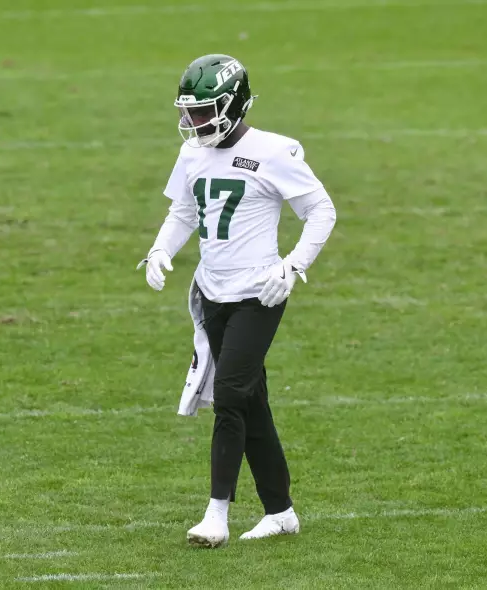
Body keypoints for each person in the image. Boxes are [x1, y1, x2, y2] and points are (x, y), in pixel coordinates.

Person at [139, 53, 337, 548]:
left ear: (235, 104)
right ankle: (281, 512)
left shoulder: (272, 152)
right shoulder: (192, 153)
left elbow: (321, 210)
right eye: (189, 111)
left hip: (259, 292)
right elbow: (185, 210)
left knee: (228, 397)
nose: (194, 121)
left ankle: (216, 515)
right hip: (212, 291)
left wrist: (292, 266)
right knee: (252, 402)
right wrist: (160, 249)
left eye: (203, 111)